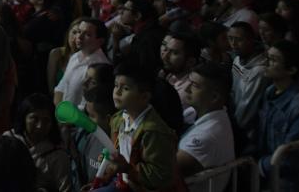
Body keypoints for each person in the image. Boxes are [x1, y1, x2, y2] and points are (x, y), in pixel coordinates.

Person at [97, 62, 178, 192]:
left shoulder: (153, 131)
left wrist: (127, 168)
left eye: (125, 88)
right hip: (121, 182)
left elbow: (161, 176)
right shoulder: (118, 119)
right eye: (116, 85)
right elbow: (117, 152)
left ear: (144, 96)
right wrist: (110, 160)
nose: (117, 92)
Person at [257, 41, 299, 192]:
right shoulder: (270, 92)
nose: (266, 63)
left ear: (291, 69)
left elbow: (289, 158)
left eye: (273, 60)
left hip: (296, 182)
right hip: (273, 174)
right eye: (267, 57)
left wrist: (260, 166)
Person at [178, 63, 235, 192]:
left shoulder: (208, 135)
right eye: (189, 82)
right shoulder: (195, 112)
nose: (186, 89)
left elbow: (163, 170)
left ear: (214, 97)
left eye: (195, 85)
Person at [7, 94, 71, 192]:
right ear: (24, 117)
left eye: (46, 120)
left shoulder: (58, 155)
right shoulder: (8, 141)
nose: (40, 126)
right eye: (34, 118)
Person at [227, 22, 270, 151]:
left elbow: (247, 110)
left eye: (238, 39)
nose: (233, 44)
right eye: (230, 38)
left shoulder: (259, 71)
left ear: (251, 40)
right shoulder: (237, 59)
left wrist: (232, 129)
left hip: (248, 133)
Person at [53, 17, 110, 107]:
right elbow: (61, 86)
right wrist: (59, 110)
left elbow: (89, 104)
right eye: (79, 31)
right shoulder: (75, 56)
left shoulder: (101, 66)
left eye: (87, 34)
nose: (79, 37)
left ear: (100, 41)